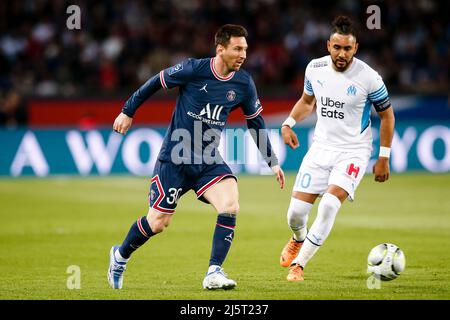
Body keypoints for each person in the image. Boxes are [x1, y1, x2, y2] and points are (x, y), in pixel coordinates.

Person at [108, 24, 285, 290]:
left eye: (245, 49)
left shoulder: (243, 83)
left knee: (230, 204)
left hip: (208, 160)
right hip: (175, 158)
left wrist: (271, 161)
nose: (243, 55)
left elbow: (255, 122)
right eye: (237, 48)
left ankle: (214, 271)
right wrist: (127, 111)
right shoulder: (193, 69)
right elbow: (155, 82)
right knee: (158, 223)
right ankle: (120, 256)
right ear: (220, 49)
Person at [279, 16, 395, 282]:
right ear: (328, 44)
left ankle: (299, 264)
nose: (341, 54)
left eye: (347, 49)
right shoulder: (315, 68)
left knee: (330, 205)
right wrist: (288, 123)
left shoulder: (369, 77)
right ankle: (298, 238)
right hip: (321, 148)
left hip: (353, 151)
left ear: (356, 48)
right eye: (337, 48)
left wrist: (384, 157)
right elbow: (307, 102)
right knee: (295, 214)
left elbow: (387, 116)